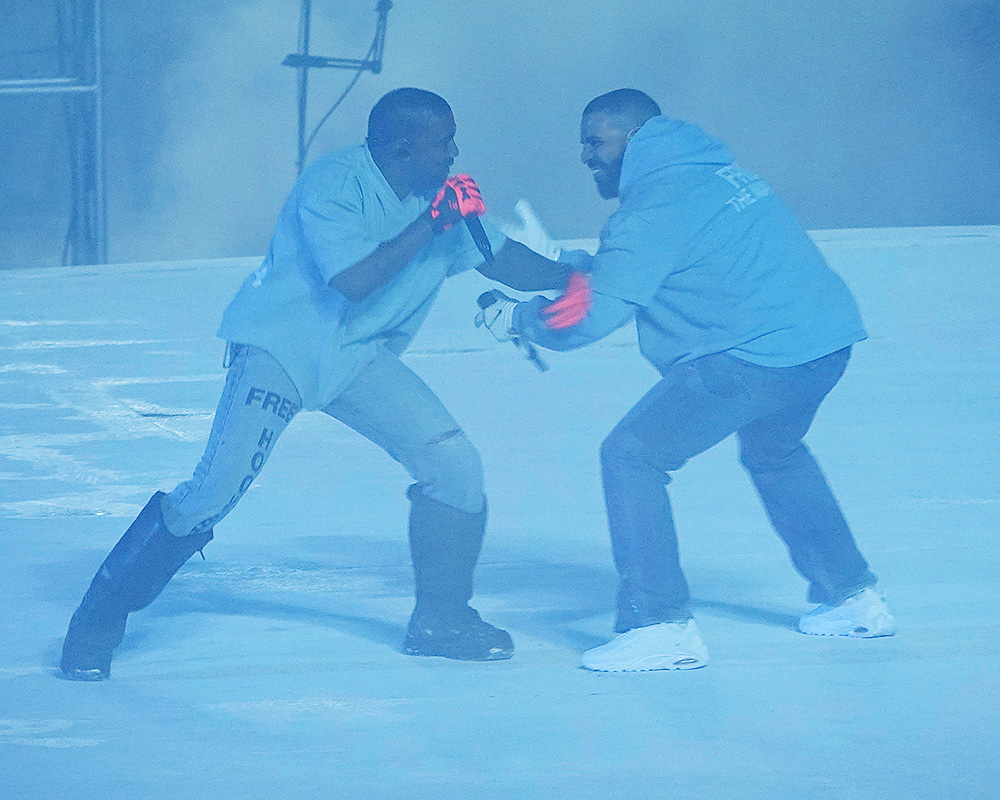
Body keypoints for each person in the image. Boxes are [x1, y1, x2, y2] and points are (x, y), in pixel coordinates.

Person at [60, 87, 574, 680]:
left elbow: (500, 257)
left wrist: (576, 277)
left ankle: (442, 619)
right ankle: (99, 616)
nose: (456, 152)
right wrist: (434, 223)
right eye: (444, 141)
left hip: (358, 358)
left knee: (455, 467)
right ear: (404, 147)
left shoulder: (440, 203)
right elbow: (354, 280)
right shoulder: (333, 183)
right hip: (282, 350)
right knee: (212, 492)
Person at [476, 89, 896, 672]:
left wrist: (517, 320)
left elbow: (589, 319)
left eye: (596, 142)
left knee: (633, 456)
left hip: (752, 360)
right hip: (822, 346)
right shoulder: (716, 175)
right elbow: (660, 265)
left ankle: (659, 624)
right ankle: (852, 597)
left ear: (635, 137)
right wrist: (567, 262)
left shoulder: (649, 212)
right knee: (777, 453)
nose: (585, 156)